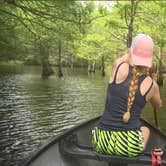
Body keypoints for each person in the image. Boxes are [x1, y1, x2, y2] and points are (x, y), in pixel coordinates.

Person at [92, 33, 162, 157]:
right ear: (149, 60)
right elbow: (158, 105)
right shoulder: (152, 85)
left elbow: (125, 58)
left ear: (131, 51)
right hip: (129, 147)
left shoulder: (118, 66)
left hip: (100, 142)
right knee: (145, 130)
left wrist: (132, 51)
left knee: (100, 130)